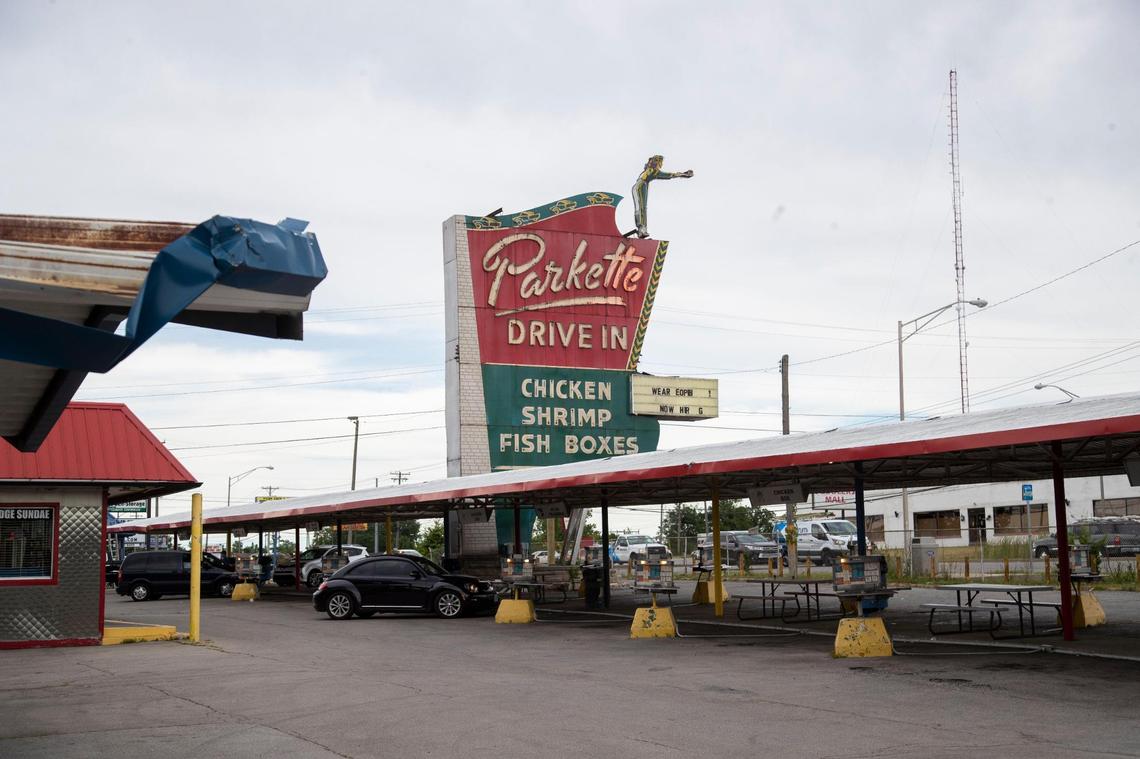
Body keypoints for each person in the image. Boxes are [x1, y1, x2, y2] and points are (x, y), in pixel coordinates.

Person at [631, 155, 693, 238]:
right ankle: (642, 228)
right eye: (654, 161)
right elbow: (670, 175)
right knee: (641, 207)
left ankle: (642, 229)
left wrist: (683, 174)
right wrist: (684, 174)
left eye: (657, 161)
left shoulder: (652, 171)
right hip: (640, 185)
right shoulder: (651, 171)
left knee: (641, 207)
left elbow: (670, 175)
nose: (655, 163)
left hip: (640, 185)